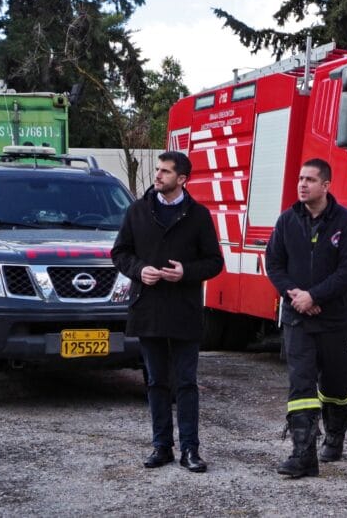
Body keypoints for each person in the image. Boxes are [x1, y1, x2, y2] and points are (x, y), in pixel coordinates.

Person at [112, 151, 223, 473]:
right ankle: (161, 447)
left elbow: (214, 262)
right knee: (156, 381)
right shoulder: (137, 210)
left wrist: (186, 272)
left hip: (184, 310)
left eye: (165, 171)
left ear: (182, 179)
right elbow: (120, 252)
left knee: (185, 383)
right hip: (148, 308)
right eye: (158, 170)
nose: (158, 176)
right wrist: (139, 270)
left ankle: (190, 449)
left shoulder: (198, 215)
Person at [265, 158, 347, 478]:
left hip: (334, 321)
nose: (302, 185)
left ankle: (336, 432)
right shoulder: (286, 221)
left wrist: (315, 296)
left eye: (309, 179)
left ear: (326, 185)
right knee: (301, 384)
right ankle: (303, 454)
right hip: (297, 319)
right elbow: (274, 264)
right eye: (300, 179)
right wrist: (296, 296)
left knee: (336, 385)